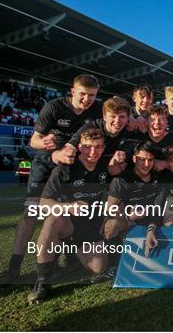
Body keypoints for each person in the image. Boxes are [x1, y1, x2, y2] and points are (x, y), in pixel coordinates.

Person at [0, 74, 102, 288]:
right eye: (82, 94)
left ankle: (62, 261)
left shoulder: (96, 110)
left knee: (65, 214)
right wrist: (43, 143)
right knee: (30, 214)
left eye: (91, 95)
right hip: (46, 165)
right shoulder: (53, 107)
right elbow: (34, 140)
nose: (86, 99)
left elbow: (114, 115)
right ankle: (13, 269)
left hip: (72, 169)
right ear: (72, 91)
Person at [27, 128, 112, 303]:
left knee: (97, 268)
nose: (92, 152)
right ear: (79, 146)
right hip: (68, 221)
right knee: (53, 219)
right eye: (88, 147)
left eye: (97, 147)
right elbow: (44, 202)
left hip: (90, 223)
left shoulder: (106, 167)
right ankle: (42, 280)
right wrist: (68, 207)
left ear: (103, 148)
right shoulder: (64, 169)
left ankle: (70, 249)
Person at [101, 142, 166, 260]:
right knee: (112, 225)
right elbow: (109, 211)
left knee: (170, 218)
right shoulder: (122, 180)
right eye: (142, 159)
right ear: (134, 159)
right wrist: (128, 217)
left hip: (152, 218)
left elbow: (158, 206)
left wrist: (151, 229)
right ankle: (114, 260)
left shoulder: (158, 176)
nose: (146, 164)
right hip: (128, 219)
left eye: (150, 160)